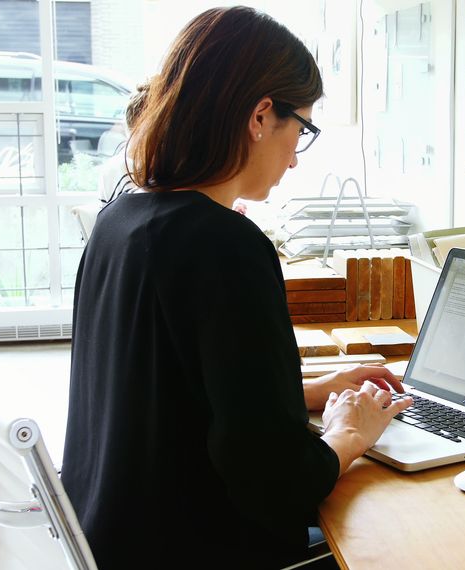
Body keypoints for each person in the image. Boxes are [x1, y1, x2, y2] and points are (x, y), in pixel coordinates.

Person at [61, 7, 413, 569]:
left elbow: (175, 404)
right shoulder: (226, 246)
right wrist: (349, 433)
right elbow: (277, 482)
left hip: (112, 537)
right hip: (198, 549)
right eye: (302, 128)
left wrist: (309, 391)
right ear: (260, 115)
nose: (297, 156)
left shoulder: (120, 220)